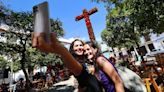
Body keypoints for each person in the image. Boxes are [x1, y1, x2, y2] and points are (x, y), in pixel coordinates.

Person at [32, 33, 102, 92]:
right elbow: (78, 69)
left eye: (80, 45)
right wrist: (62, 51)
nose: (79, 47)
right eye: (76, 46)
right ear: (73, 49)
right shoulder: (76, 63)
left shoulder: (89, 60)